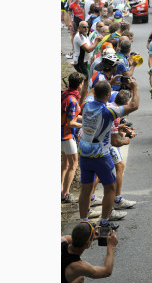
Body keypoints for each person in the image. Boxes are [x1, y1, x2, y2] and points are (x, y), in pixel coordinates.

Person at [77, 79, 140, 228]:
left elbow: (91, 91)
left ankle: (83, 221)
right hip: (101, 155)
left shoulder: (86, 104)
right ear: (107, 95)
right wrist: (135, 87)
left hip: (84, 153)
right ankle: (104, 221)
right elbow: (134, 105)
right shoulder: (109, 111)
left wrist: (107, 82)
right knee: (110, 187)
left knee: (85, 190)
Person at [107, 90, 138, 210]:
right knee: (119, 166)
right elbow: (115, 142)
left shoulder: (110, 106)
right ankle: (117, 200)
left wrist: (119, 128)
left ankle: (92, 198)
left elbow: (109, 127)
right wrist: (126, 140)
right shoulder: (116, 114)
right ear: (126, 102)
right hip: (103, 144)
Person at [61, 71, 84, 203]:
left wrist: (85, 119)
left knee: (65, 163)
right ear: (80, 85)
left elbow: (74, 117)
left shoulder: (66, 94)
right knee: (74, 163)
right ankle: (66, 194)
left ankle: (61, 190)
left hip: (61, 132)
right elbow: (71, 122)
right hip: (66, 135)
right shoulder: (73, 100)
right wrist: (86, 126)